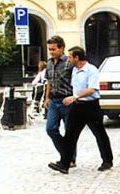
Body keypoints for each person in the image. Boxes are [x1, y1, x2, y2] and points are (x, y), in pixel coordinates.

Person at [48, 46, 113, 174]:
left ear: (77, 58)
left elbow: (92, 89)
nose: (69, 59)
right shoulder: (74, 70)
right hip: (77, 106)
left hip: (91, 106)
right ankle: (64, 164)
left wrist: (75, 97)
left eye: (71, 56)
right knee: (70, 135)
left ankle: (107, 160)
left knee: (99, 134)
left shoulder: (91, 70)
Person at [43, 35, 76, 167]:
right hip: (54, 101)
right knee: (50, 129)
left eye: (54, 49)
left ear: (62, 48)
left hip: (67, 101)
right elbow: (49, 82)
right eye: (50, 49)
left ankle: (70, 159)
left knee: (69, 132)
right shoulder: (49, 62)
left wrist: (75, 98)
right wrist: (47, 98)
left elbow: (77, 81)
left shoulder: (69, 63)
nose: (51, 52)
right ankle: (65, 155)